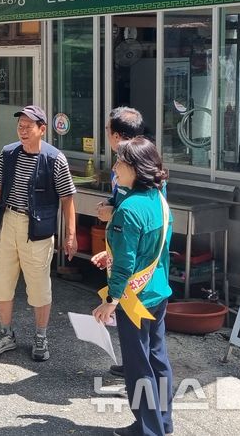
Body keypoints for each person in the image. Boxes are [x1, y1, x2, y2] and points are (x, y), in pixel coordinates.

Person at [91, 136, 174, 436]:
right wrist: (110, 253)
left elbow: (126, 264)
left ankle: (147, 429)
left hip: (134, 298)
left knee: (138, 366)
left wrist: (110, 300)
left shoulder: (127, 209)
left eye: (120, 163)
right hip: (158, 290)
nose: (115, 168)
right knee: (157, 357)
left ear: (136, 168)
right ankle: (163, 422)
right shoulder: (158, 198)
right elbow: (151, 248)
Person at [0, 105, 77, 361]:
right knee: (1, 283)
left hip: (38, 228)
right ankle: (6, 334)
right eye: (20, 126)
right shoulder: (8, 153)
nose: (23, 131)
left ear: (42, 129)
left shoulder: (54, 158)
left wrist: (71, 234)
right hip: (9, 221)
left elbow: (68, 198)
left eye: (29, 126)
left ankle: (40, 336)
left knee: (38, 286)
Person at [95, 106, 145, 378]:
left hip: (137, 260)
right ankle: (132, 363)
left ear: (116, 135)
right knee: (129, 319)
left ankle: (137, 370)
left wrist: (113, 213)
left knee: (134, 314)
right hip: (122, 243)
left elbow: (139, 210)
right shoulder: (127, 161)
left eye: (107, 130)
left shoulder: (138, 162)